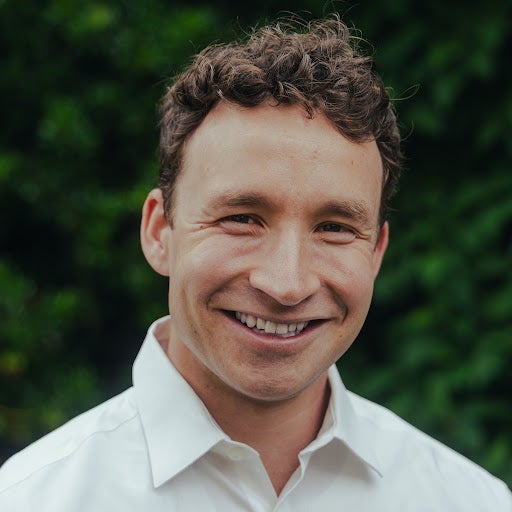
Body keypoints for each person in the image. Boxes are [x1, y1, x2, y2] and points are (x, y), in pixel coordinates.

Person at [0, 15, 510, 511]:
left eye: (334, 228)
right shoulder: (28, 499)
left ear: (376, 253)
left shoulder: (471, 501)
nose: (287, 284)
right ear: (159, 232)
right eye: (242, 218)